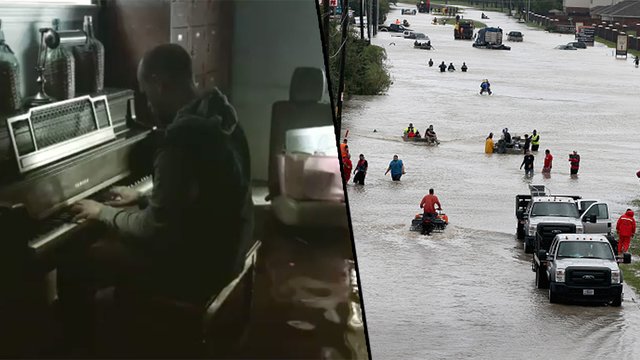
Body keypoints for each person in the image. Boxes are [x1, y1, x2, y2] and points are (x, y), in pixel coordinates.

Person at [65, 44, 253, 350]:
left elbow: (154, 230)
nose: (148, 104)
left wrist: (102, 212)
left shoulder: (180, 142)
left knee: (84, 256)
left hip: (203, 266)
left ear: (161, 84)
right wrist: (141, 200)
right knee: (111, 242)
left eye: (147, 93)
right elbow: (197, 201)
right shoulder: (221, 117)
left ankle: (98, 345)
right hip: (230, 244)